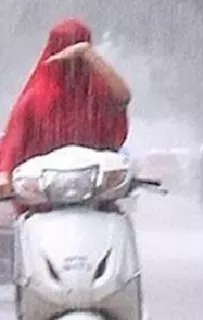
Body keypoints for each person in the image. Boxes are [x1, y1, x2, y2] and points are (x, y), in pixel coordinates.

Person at [0, 18, 131, 193]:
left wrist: (87, 54)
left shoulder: (97, 91)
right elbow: (14, 144)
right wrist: (5, 178)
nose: (72, 61)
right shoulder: (36, 97)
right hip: (43, 198)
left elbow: (123, 97)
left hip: (95, 194)